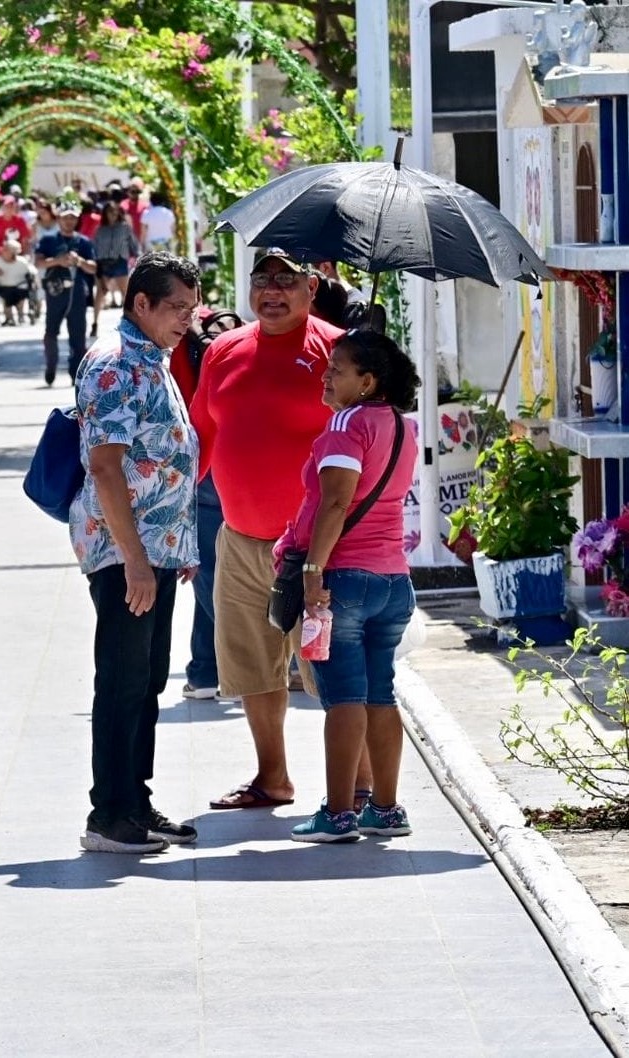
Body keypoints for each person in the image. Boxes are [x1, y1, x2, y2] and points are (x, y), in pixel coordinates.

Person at [191, 248, 372, 811]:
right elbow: (201, 436)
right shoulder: (223, 349)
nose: (272, 289)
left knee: (334, 669)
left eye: (286, 279)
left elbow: (367, 438)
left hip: (317, 547)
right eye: (263, 278)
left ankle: (363, 788)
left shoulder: (337, 353)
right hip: (240, 538)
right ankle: (272, 778)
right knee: (252, 664)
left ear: (311, 288)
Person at [72, 252, 202, 854]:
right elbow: (105, 467)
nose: (187, 319)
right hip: (128, 554)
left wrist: (178, 547)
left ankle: (136, 800)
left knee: (146, 680)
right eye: (176, 307)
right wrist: (135, 560)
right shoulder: (114, 362)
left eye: (191, 308)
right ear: (140, 304)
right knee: (122, 680)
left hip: (159, 549)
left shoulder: (153, 359)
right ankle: (109, 812)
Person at [285, 330, 419, 842]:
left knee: (343, 697)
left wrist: (313, 571)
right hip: (393, 579)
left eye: (337, 368)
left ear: (367, 381)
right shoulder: (401, 426)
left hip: (344, 578)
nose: (326, 374)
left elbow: (336, 503)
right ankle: (385, 809)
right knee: (380, 694)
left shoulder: (347, 422)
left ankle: (339, 813)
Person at [169, 305, 243, 701]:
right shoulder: (237, 336)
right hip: (233, 458)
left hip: (197, 462)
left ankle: (245, 659)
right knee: (211, 573)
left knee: (209, 574)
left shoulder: (174, 337)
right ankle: (204, 671)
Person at [35, 201, 97, 386]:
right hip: (56, 291)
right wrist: (57, 261)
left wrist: (79, 262)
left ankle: (76, 373)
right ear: (59, 219)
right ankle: (51, 366)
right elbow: (39, 262)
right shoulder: (48, 240)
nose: (69, 221)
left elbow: (93, 268)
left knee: (78, 335)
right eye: (65, 218)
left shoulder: (83, 242)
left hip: (77, 291)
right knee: (51, 331)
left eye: (72, 218)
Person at [92, 201, 141, 336]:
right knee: (100, 294)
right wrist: (97, 265)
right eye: (109, 212)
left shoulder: (124, 227)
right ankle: (94, 323)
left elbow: (133, 244)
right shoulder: (100, 229)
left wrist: (137, 258)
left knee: (126, 294)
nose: (112, 215)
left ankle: (130, 323)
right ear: (105, 214)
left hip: (120, 261)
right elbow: (94, 247)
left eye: (115, 212)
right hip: (104, 263)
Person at [0, 237, 36, 326]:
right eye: (4, 249)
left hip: (19, 287)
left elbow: (32, 271)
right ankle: (9, 317)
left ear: (13, 253)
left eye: (6, 249)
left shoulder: (22, 262)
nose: (3, 251)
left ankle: (21, 315)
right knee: (5, 296)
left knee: (22, 293)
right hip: (2, 287)